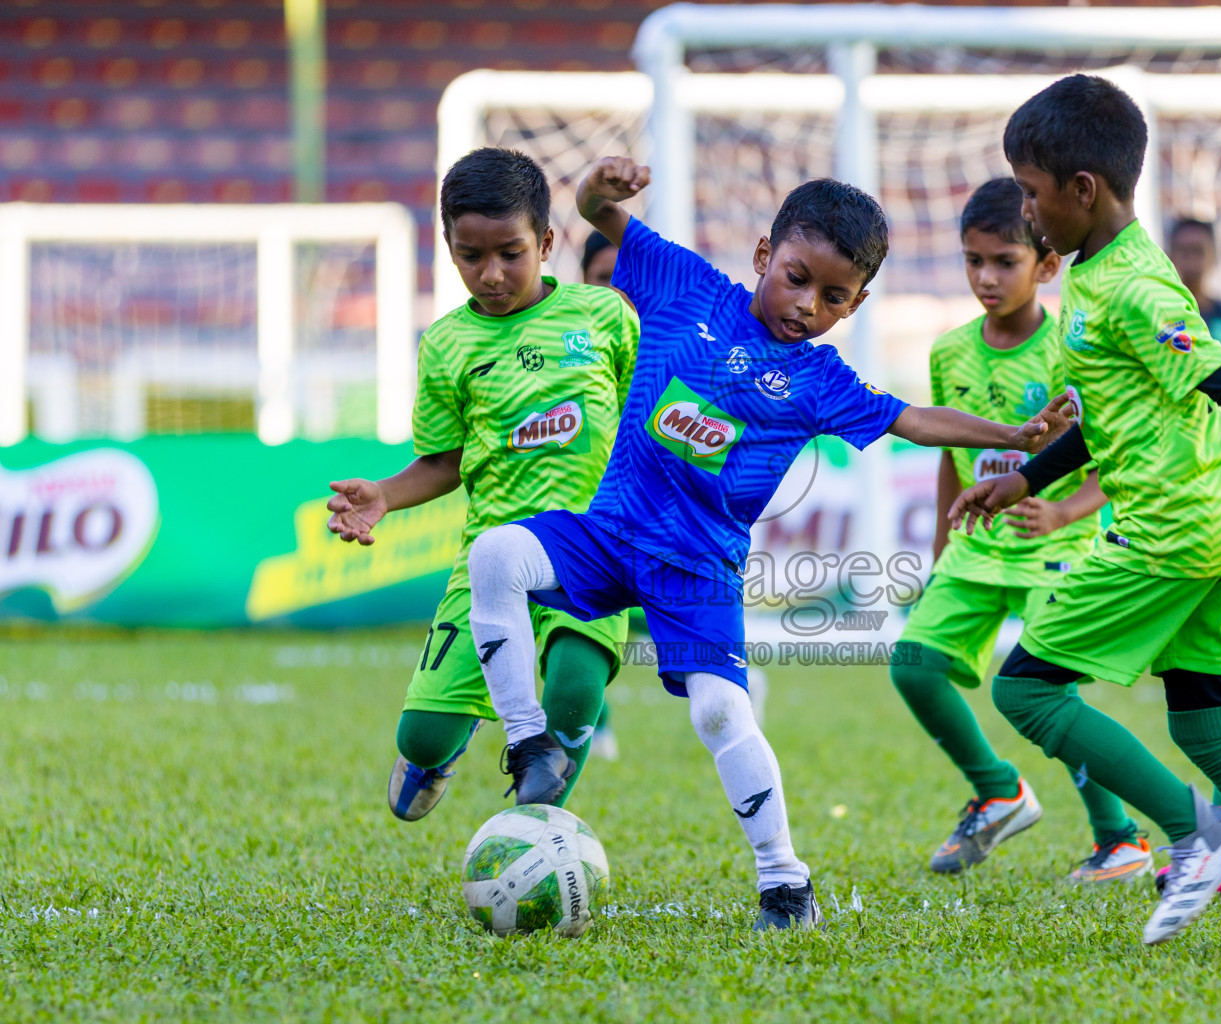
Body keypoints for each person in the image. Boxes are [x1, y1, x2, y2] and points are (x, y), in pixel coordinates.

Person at [465, 155, 1073, 930]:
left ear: (854, 305)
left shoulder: (820, 381)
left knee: (721, 714)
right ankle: (530, 746)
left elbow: (911, 419)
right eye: (795, 278)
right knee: (496, 556)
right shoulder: (684, 286)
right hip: (610, 532)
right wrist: (597, 189)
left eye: (833, 297)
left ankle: (785, 883)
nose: (806, 305)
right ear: (762, 256)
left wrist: (1014, 435)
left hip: (698, 571)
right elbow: (596, 214)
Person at [952, 74, 1221, 960]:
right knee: (1212, 732)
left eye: (1031, 195)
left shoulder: (1138, 289)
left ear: (1083, 191)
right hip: (1204, 531)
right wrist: (1024, 479)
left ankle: (1199, 833)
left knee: (1025, 689)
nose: (1025, 214)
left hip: (1173, 531)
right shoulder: (1099, 274)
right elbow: (1120, 418)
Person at [324, 148, 636, 822]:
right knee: (421, 734)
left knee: (577, 688)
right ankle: (440, 747)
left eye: (511, 253)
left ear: (547, 243)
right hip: (490, 561)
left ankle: (539, 831)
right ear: (449, 248)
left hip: (592, 550)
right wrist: (384, 494)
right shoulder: (446, 345)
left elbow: (648, 420)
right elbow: (441, 462)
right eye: (471, 256)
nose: (491, 274)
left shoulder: (605, 318)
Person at [893, 177, 1152, 883]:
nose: (985, 277)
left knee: (1048, 697)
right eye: (973, 260)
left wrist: (1067, 509)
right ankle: (998, 788)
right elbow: (953, 454)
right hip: (975, 552)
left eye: (1003, 261)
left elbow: (1117, 451)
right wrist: (942, 549)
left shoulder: (1072, 350)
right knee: (912, 665)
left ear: (1046, 266)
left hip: (1058, 550)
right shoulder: (950, 353)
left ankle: (1120, 837)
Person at [580, 227, 623, 763]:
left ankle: (734, 681)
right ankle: (597, 721)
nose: (619, 293)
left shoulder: (665, 345)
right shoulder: (573, 347)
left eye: (629, 280)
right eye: (605, 280)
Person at [1166, 218, 1221, 350]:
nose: (1191, 259)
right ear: (1168, 255)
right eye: (1184, 252)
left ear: (1214, 255)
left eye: (1198, 251)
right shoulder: (1160, 314)